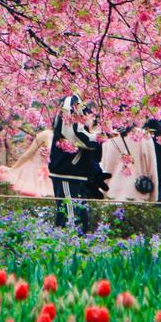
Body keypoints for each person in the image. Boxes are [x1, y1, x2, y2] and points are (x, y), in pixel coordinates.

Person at [48, 94, 110, 232]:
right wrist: (99, 137)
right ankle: (68, 248)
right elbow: (74, 133)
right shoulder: (71, 101)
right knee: (70, 218)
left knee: (80, 217)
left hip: (77, 175)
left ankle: (79, 248)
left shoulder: (78, 104)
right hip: (68, 174)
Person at [101, 125, 158, 202]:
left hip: (112, 193)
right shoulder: (144, 136)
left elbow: (104, 168)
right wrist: (153, 198)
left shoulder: (109, 137)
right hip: (138, 194)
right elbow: (151, 169)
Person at [0, 128, 53, 197]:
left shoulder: (61, 139)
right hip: (32, 172)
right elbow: (28, 154)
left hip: (48, 172)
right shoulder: (45, 135)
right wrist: (13, 169)